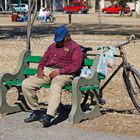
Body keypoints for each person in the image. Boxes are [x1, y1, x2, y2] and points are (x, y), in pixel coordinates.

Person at [22, 26, 83, 127]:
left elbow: (76, 66)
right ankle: (36, 111)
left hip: (65, 74)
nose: (58, 43)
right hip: (48, 71)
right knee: (26, 84)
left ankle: (49, 116)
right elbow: (43, 60)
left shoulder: (75, 48)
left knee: (55, 86)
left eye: (61, 40)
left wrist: (60, 71)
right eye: (57, 40)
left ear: (68, 37)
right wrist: (40, 68)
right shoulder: (52, 46)